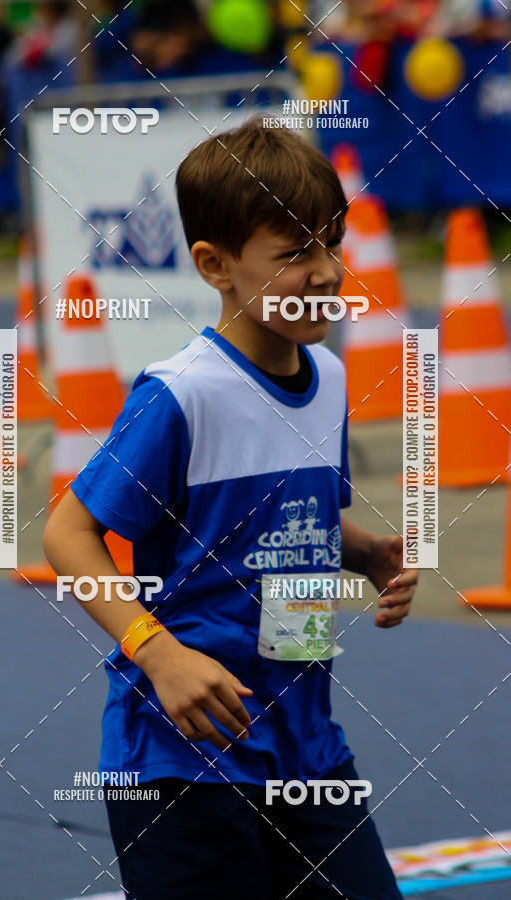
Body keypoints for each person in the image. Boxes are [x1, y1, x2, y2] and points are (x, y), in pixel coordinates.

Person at [43, 119, 417, 899]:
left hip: (308, 749)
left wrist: (365, 553)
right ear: (216, 266)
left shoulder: (332, 379)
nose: (324, 272)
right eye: (292, 254)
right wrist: (158, 652)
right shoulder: (181, 394)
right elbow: (68, 532)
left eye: (330, 243)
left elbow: (286, 516)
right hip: (185, 756)